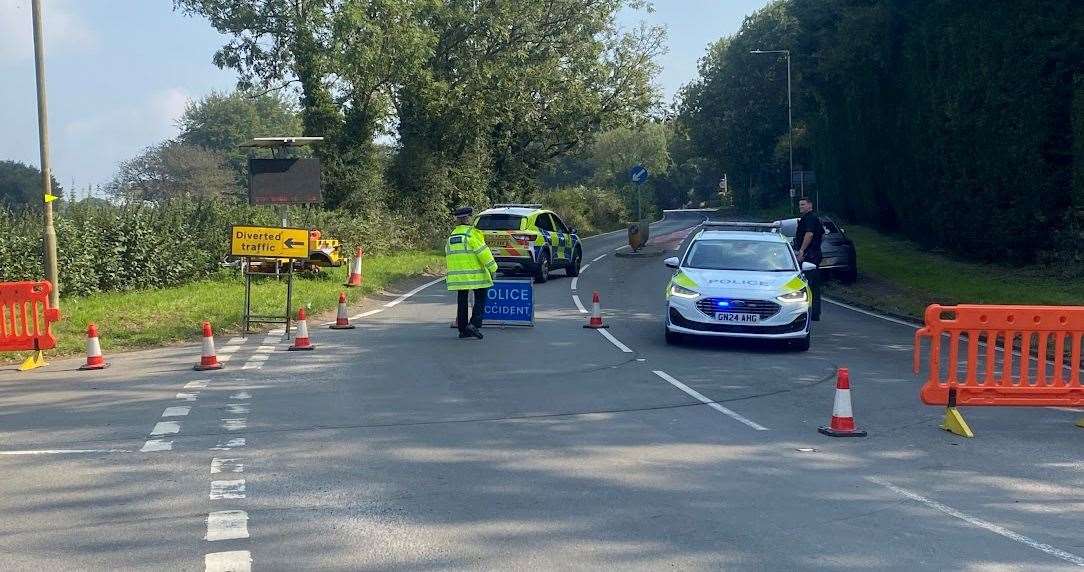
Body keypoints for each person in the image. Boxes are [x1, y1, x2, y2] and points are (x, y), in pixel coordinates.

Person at [445, 206, 498, 339]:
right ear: (468, 218)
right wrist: (493, 268)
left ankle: (463, 330)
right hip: (476, 274)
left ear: (457, 220)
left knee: (462, 301)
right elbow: (483, 252)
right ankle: (473, 324)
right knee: (481, 297)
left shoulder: (452, 236)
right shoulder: (472, 233)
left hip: (458, 276)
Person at [793, 197, 824, 321]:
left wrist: (802, 250)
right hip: (813, 253)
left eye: (803, 204)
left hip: (810, 255)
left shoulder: (810, 218)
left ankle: (812, 312)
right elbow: (821, 234)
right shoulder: (809, 218)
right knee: (812, 284)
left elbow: (809, 234)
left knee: (809, 284)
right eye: (800, 204)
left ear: (810, 205)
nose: (801, 206)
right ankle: (813, 312)